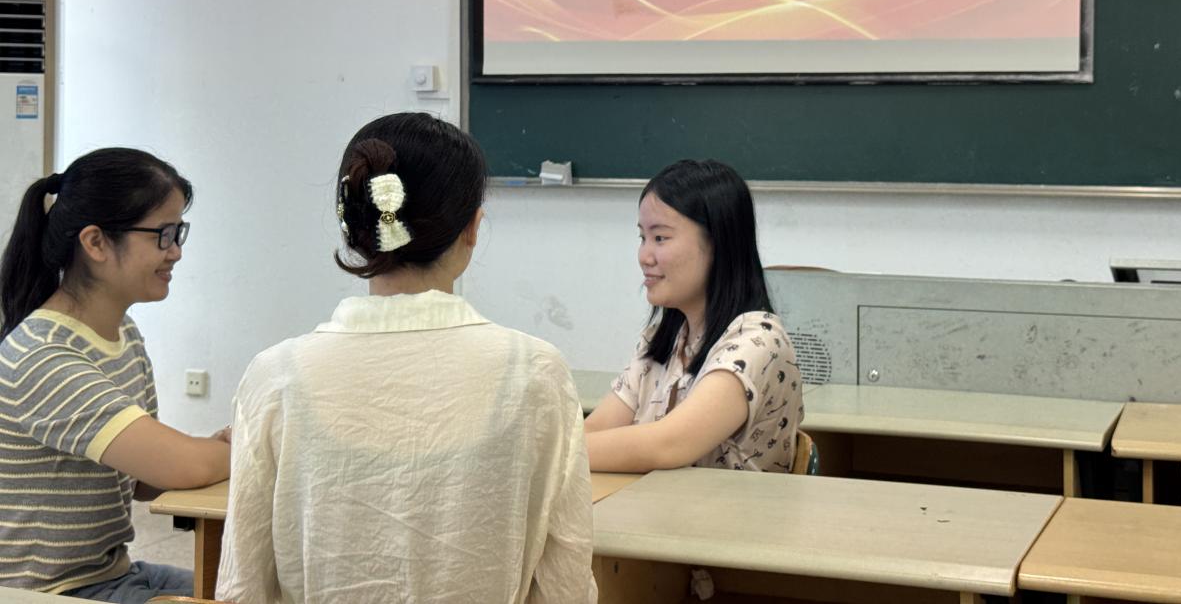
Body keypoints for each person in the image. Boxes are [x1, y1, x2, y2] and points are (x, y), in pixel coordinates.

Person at [217, 113, 595, 604]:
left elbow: (243, 586)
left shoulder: (275, 376)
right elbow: (565, 580)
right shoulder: (536, 371)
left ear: (353, 227)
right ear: (473, 228)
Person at [0, 148, 230, 600]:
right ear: (96, 243)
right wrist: (241, 449)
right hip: (51, 591)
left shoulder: (123, 334)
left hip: (112, 573)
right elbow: (183, 466)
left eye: (178, 232)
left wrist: (210, 451)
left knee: (255, 589)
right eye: (163, 234)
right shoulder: (44, 355)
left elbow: (144, 480)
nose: (176, 252)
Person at [585, 159, 803, 473]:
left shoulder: (758, 343)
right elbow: (595, 430)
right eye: (642, 238)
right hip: (656, 503)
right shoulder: (665, 339)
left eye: (660, 238)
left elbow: (666, 445)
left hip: (729, 507)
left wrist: (552, 451)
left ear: (718, 243)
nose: (644, 256)